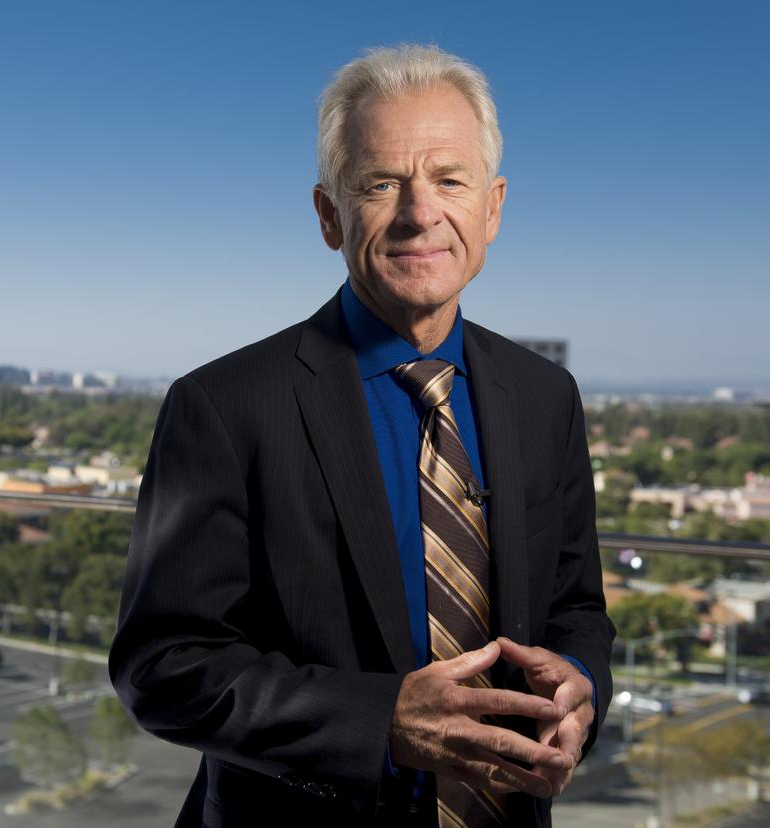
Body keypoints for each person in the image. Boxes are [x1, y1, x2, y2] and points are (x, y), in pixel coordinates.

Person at [109, 44, 614, 827]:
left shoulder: (546, 396)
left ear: (494, 208)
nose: (421, 214)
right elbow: (164, 667)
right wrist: (380, 722)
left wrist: (581, 678)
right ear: (328, 215)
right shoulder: (223, 405)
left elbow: (577, 608)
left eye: (451, 180)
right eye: (381, 185)